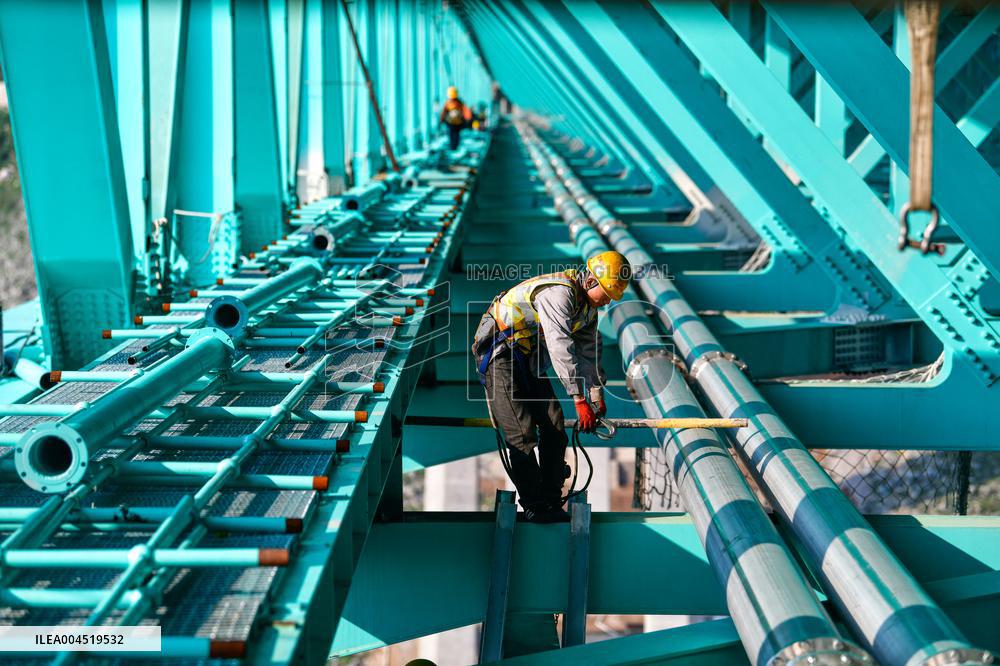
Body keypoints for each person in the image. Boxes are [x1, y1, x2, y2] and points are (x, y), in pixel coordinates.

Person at [471, 251, 632, 523]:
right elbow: (560, 346)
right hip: (500, 355)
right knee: (521, 433)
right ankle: (535, 505)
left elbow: (589, 353)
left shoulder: (587, 311)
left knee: (555, 426)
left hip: (527, 357)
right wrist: (579, 400)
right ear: (591, 281)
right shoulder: (559, 295)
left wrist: (596, 395)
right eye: (605, 293)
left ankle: (552, 499)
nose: (606, 301)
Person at [439, 86, 472, 150]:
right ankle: (455, 146)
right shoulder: (459, 102)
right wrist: (468, 119)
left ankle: (453, 147)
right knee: (456, 135)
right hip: (457, 122)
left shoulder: (448, 103)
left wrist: (441, 120)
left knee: (452, 135)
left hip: (451, 122)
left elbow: (443, 112)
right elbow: (466, 111)